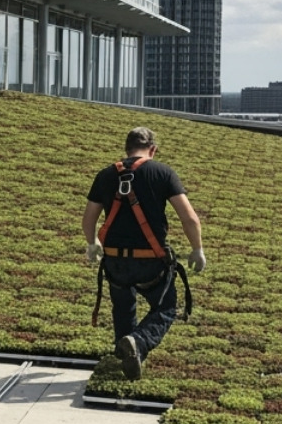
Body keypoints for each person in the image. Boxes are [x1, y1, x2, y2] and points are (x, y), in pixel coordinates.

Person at [81, 126, 206, 380]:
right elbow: (189, 218)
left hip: (115, 260)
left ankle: (127, 358)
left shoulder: (106, 175)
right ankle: (138, 343)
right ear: (153, 149)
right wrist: (197, 249)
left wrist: (92, 243)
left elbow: (89, 218)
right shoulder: (162, 173)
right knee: (166, 307)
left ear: (127, 149)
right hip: (150, 260)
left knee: (123, 308)